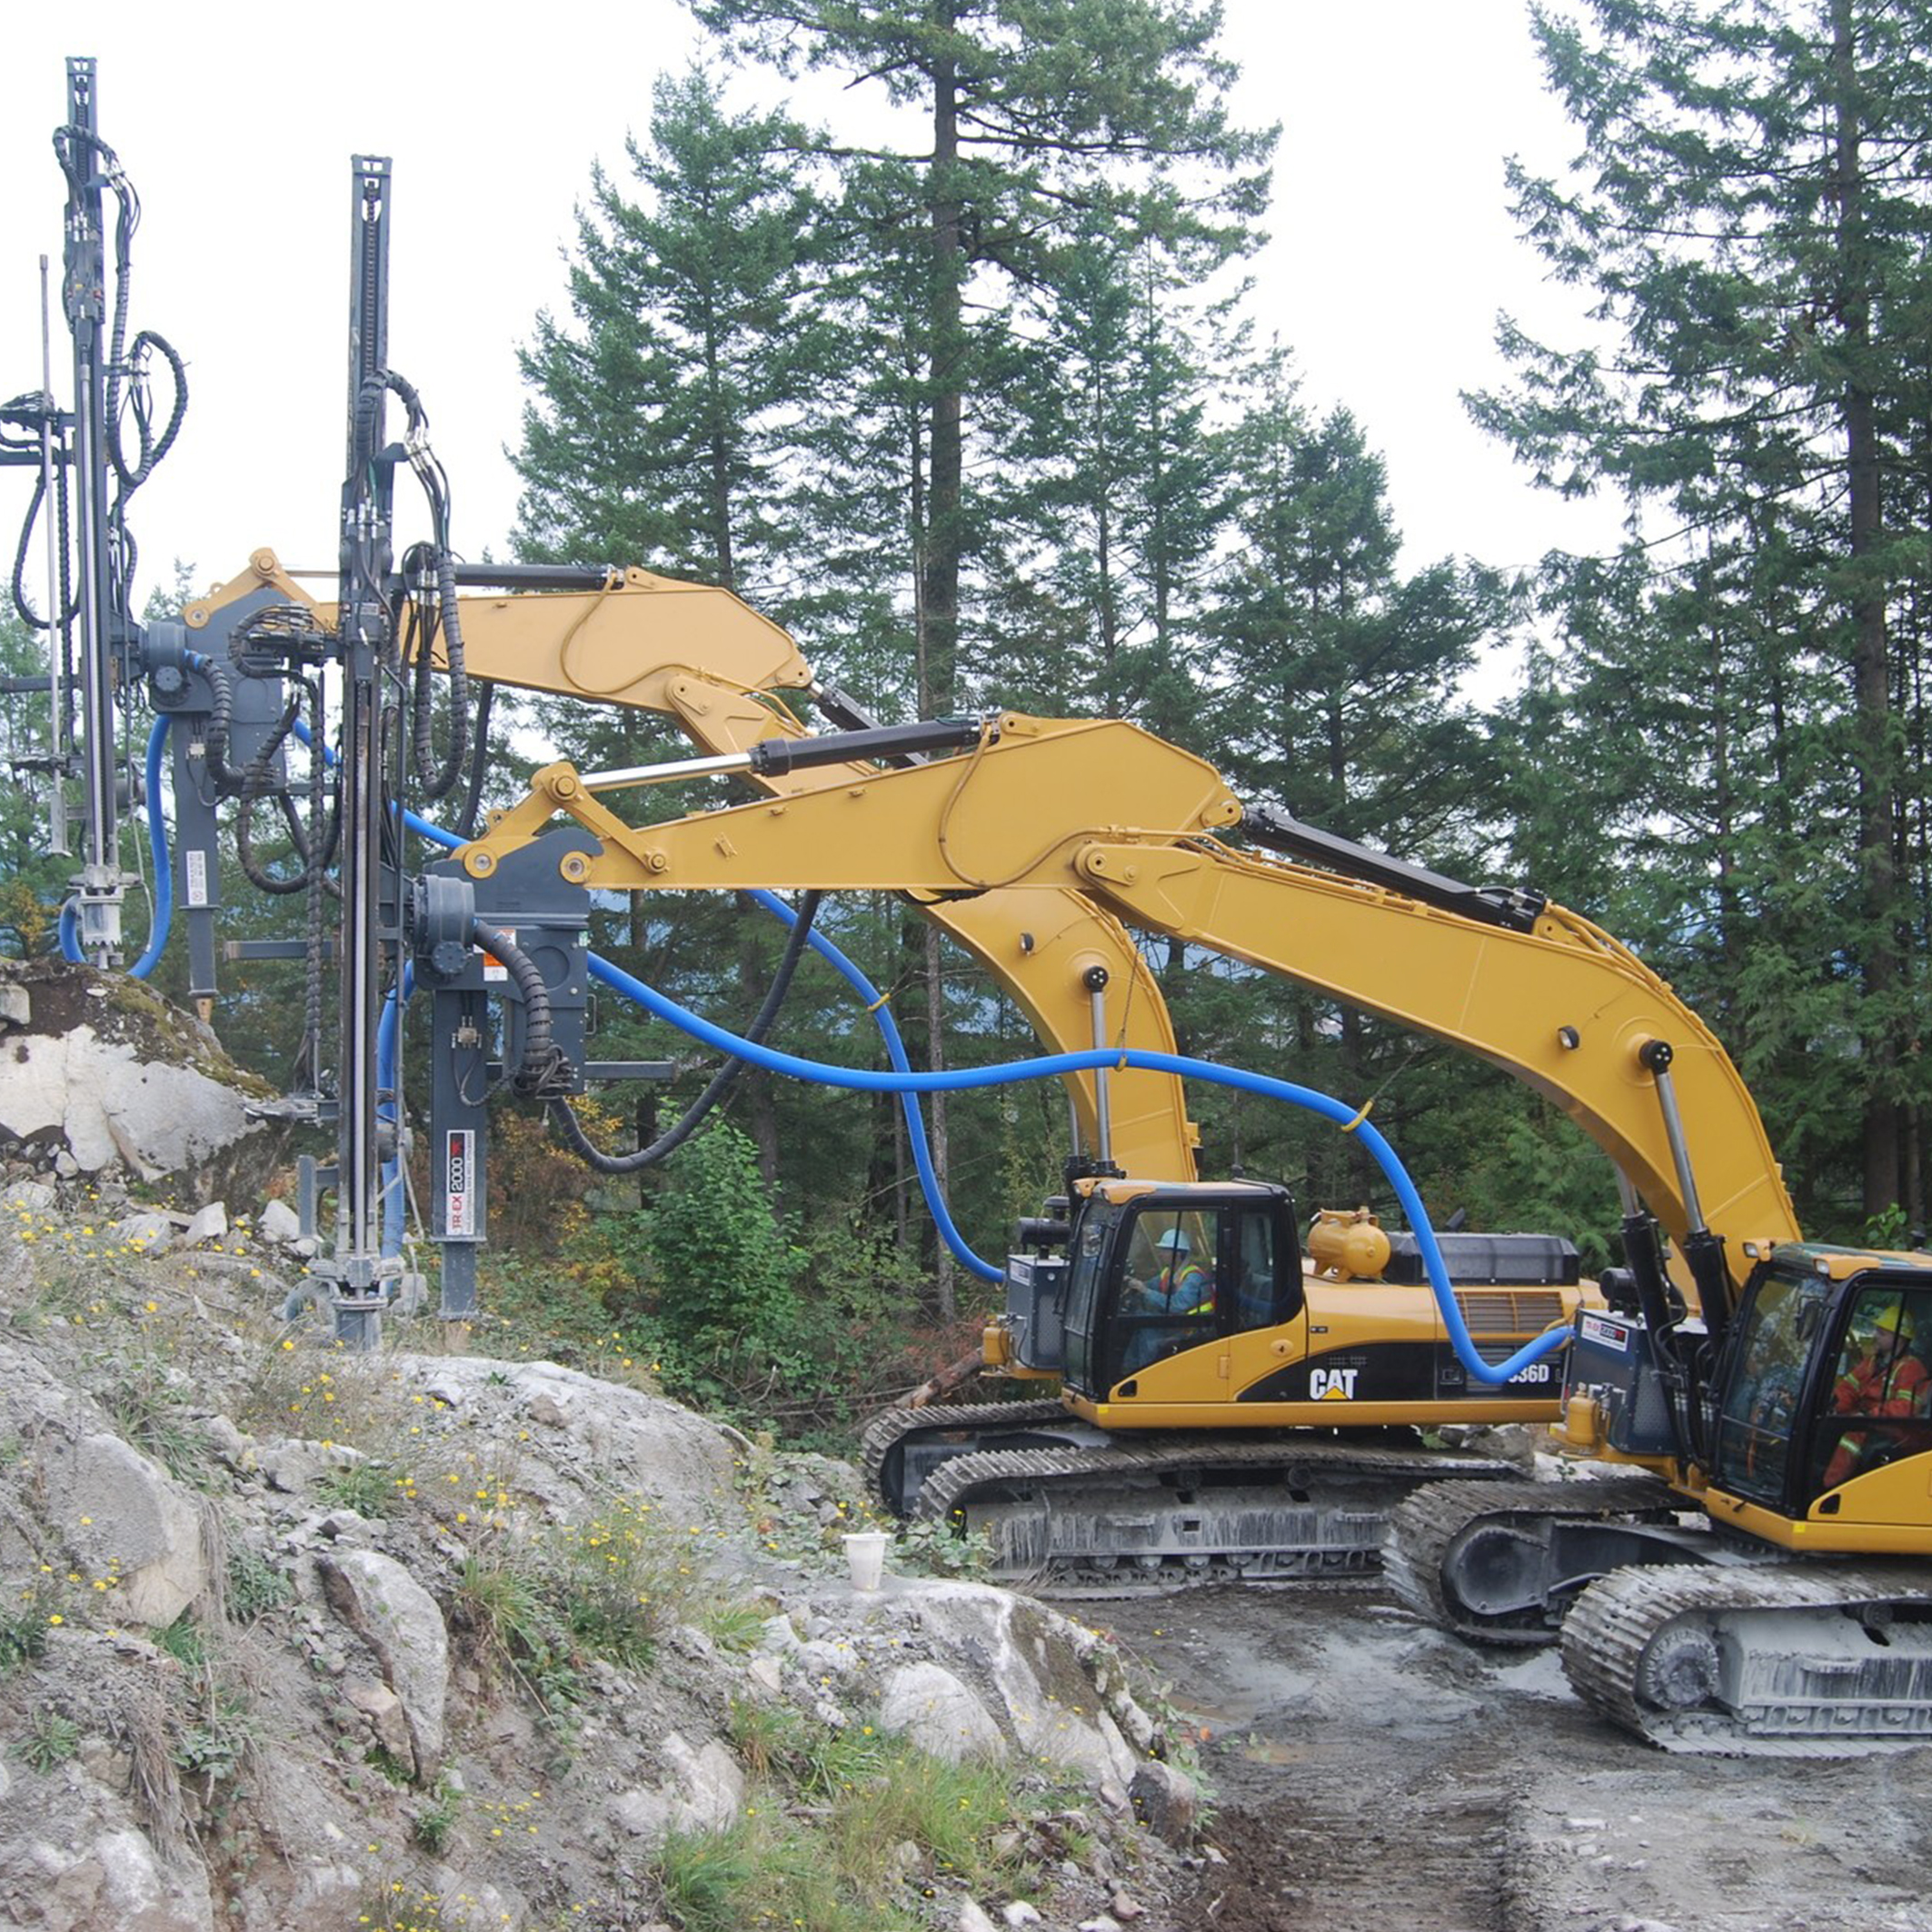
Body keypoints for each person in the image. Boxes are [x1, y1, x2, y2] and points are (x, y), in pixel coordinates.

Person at [1822, 1301, 1932, 1488]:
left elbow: (1906, 1408)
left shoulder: (1911, 1368)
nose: (1875, 1335)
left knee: (1853, 1436)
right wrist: (1834, 1405)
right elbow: (1849, 1388)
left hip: (1898, 1430)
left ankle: (1830, 1486)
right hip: (1871, 1420)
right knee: (1826, 1425)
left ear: (1899, 1338)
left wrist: (1868, 1416)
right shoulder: (1874, 1361)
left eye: (1882, 1333)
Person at [1119, 1228, 1213, 1374]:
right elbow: (1150, 1285)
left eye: (1165, 1250)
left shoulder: (1192, 1277)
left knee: (1147, 1328)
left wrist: (1145, 1291)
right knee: (1137, 1319)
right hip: (1176, 1323)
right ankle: (1128, 1371)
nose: (1161, 1254)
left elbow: (1177, 1305)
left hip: (1191, 1329)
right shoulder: (1169, 1272)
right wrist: (1132, 1283)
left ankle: (1143, 1372)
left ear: (1177, 1254)